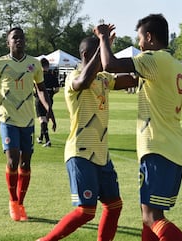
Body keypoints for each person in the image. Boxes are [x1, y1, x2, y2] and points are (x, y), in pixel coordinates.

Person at [94, 14, 182, 241]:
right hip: (171, 147)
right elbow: (126, 79)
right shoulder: (173, 64)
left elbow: (111, 64)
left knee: (151, 217)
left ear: (149, 37)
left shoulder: (153, 59)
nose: (139, 44)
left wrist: (104, 38)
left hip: (158, 147)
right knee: (151, 214)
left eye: (140, 39)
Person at [36, 36, 137, 241]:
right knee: (86, 211)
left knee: (114, 205)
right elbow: (83, 82)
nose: (103, 60)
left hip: (101, 154)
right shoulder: (74, 76)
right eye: (99, 54)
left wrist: (148, 70)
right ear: (86, 55)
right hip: (80, 152)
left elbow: (128, 80)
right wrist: (102, 42)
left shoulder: (103, 78)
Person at [0, 27, 56, 222]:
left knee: (26, 163)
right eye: (15, 38)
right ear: (8, 43)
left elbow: (41, 89)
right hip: (7, 118)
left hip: (28, 120)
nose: (19, 41)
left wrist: (49, 108)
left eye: (21, 38)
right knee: (13, 160)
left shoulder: (34, 64)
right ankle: (13, 201)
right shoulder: (0, 63)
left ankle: (21, 202)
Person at [35, 58, 60, 147]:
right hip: (49, 99)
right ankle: (41, 137)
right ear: (48, 66)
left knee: (42, 119)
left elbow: (34, 88)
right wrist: (50, 93)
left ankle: (47, 140)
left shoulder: (38, 75)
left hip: (39, 99)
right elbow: (57, 89)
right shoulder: (53, 76)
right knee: (46, 118)